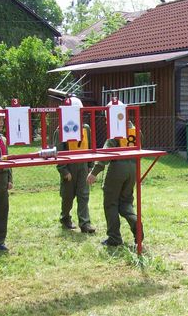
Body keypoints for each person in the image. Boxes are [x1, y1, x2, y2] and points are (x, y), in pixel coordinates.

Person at [86, 106, 142, 247]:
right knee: (126, 202)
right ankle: (137, 225)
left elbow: (106, 153)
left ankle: (114, 238)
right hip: (133, 168)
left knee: (111, 204)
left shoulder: (115, 132)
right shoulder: (136, 130)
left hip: (117, 168)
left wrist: (94, 172)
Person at [53, 97, 95, 233]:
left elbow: (90, 148)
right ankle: (65, 218)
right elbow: (58, 153)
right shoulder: (60, 130)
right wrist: (64, 171)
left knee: (84, 195)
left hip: (83, 167)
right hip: (69, 167)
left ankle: (85, 223)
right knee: (67, 196)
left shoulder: (86, 128)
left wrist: (90, 166)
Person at [0, 105, 12, 252]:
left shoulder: (4, 139)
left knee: (2, 210)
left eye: (2, 119)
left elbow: (7, 160)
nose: (1, 122)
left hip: (2, 178)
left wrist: (9, 179)